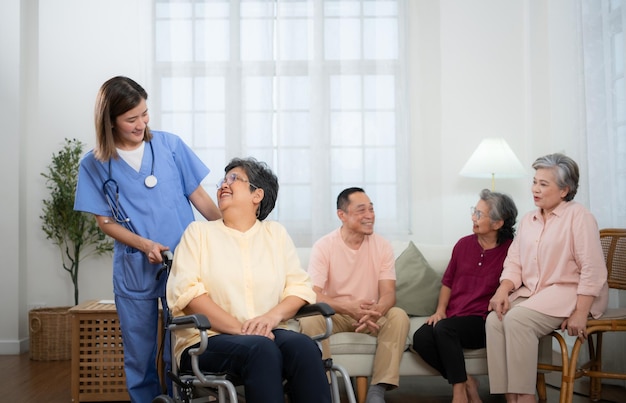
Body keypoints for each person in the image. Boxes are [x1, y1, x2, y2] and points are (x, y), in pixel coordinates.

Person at [74, 76, 221, 403]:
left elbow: (198, 196)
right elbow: (105, 221)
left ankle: (181, 398)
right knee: (139, 352)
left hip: (184, 264)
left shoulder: (169, 145)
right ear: (109, 121)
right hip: (135, 266)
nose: (142, 123)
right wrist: (145, 245)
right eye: (131, 119)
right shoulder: (94, 164)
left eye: (144, 113)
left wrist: (232, 230)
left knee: (181, 344)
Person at [166, 157, 332, 403]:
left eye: (234, 179)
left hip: (269, 331)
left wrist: (271, 317)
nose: (224, 184)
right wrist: (241, 329)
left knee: (304, 347)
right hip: (207, 340)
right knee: (260, 349)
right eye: (223, 180)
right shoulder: (198, 233)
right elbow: (189, 295)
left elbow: (299, 287)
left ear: (258, 195)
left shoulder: (275, 234)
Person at [486, 153, 609, 403]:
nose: (535, 189)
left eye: (544, 184)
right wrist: (503, 290)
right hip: (537, 292)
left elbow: (593, 269)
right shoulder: (529, 220)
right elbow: (514, 262)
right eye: (534, 182)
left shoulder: (579, 217)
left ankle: (526, 397)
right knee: (494, 320)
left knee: (517, 320)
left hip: (570, 292)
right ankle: (512, 398)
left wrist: (581, 312)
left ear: (564, 190)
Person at [299, 187, 410, 403]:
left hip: (371, 316)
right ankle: (325, 387)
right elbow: (314, 293)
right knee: (311, 319)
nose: (370, 215)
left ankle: (377, 390)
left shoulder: (383, 246)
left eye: (371, 209)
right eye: (361, 210)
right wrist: (348, 308)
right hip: (336, 315)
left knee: (398, 316)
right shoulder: (324, 246)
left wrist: (378, 310)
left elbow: (388, 293)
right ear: (342, 215)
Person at [412, 189, 518, 403]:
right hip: (453, 317)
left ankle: (459, 392)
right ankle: (468, 380)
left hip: (482, 321)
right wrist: (440, 311)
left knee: (445, 329)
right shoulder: (463, 245)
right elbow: (447, 282)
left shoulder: (511, 251)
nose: (473, 218)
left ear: (498, 223)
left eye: (479, 214)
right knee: (421, 338)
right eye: (474, 211)